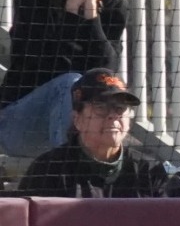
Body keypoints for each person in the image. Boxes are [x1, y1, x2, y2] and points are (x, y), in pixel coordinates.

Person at [0, 0, 129, 160]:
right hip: (16, 126)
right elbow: (48, 67)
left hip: (81, 125)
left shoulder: (115, 6)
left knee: (108, 100)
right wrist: (71, 10)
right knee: (70, 83)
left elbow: (106, 71)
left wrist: (90, 12)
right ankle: (67, 176)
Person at [17, 68, 169, 197]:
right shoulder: (48, 171)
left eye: (120, 108)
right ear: (77, 119)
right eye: (101, 107)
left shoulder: (149, 171)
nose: (112, 115)